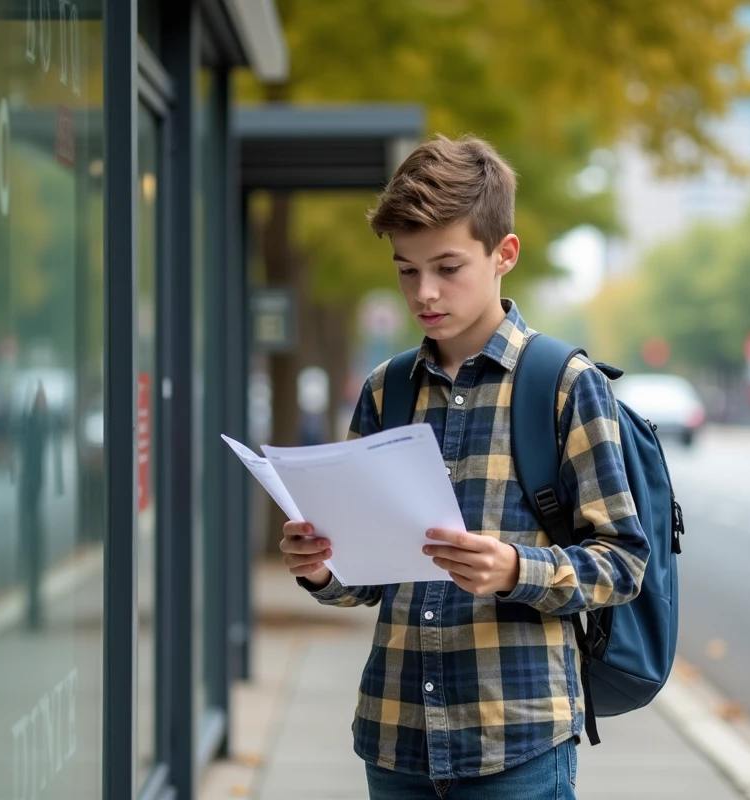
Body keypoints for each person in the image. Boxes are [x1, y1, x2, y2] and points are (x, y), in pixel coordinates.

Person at [278, 135, 649, 800]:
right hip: (397, 737)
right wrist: (320, 567)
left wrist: (514, 569)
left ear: (503, 254)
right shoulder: (387, 390)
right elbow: (365, 583)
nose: (424, 291)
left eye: (447, 268)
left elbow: (624, 562)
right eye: (406, 270)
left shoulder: (564, 383)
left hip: (520, 743)